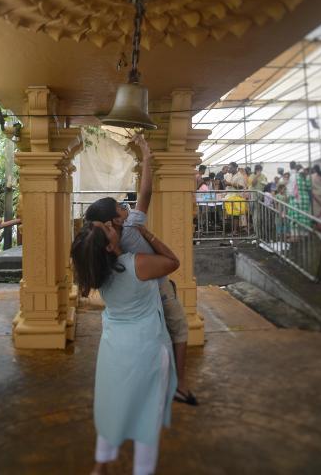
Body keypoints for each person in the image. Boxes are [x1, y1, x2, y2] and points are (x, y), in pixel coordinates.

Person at [86, 135, 197, 406]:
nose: (127, 208)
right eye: (121, 208)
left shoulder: (119, 230)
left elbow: (145, 192)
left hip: (138, 293)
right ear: (113, 220)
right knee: (178, 330)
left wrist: (146, 158)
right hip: (153, 287)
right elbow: (170, 260)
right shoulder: (123, 236)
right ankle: (179, 385)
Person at [72, 219, 178, 475]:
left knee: (113, 405)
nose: (112, 225)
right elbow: (172, 261)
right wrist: (145, 233)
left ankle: (100, 465)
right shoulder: (136, 265)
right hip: (146, 349)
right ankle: (142, 470)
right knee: (148, 412)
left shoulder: (98, 273)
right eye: (108, 229)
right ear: (108, 247)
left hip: (114, 348)